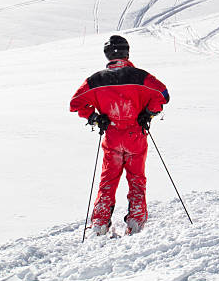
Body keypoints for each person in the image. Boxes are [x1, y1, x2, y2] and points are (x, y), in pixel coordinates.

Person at [70, 35, 169, 235]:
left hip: (112, 137)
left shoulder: (95, 80)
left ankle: (99, 223)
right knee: (136, 179)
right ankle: (135, 222)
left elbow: (75, 104)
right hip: (135, 136)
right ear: (127, 52)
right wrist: (149, 112)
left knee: (108, 179)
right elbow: (164, 95)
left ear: (107, 55)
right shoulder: (140, 76)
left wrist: (95, 118)